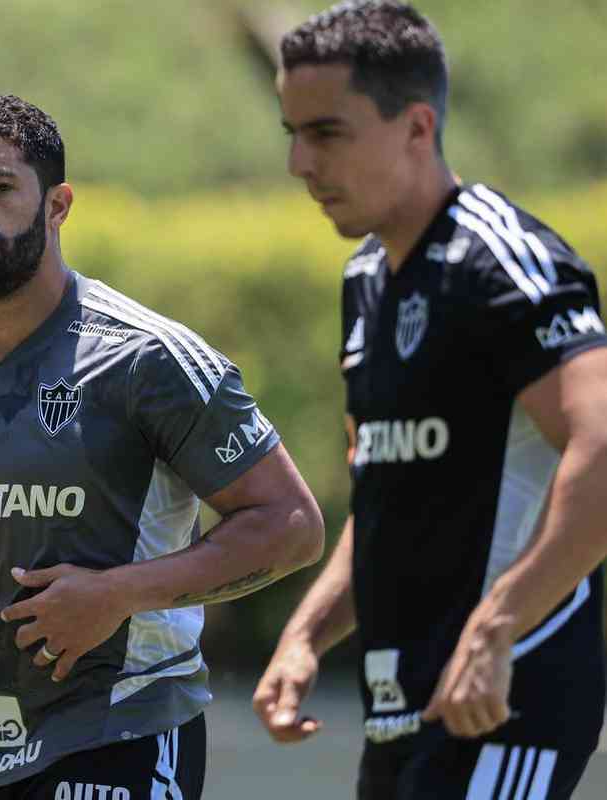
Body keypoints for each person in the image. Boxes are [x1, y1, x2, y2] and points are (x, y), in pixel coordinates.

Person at [0, 93, 324, 799]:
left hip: (121, 731)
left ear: (58, 205)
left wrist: (117, 595)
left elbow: (291, 527)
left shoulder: (149, 358)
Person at [253, 3, 607, 798]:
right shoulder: (366, 281)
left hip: (504, 704)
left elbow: (604, 449)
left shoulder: (499, 260)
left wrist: (500, 623)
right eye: (292, 134)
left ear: (417, 125)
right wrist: (307, 636)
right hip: (402, 710)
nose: (300, 164)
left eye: (328, 133)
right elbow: (387, 487)